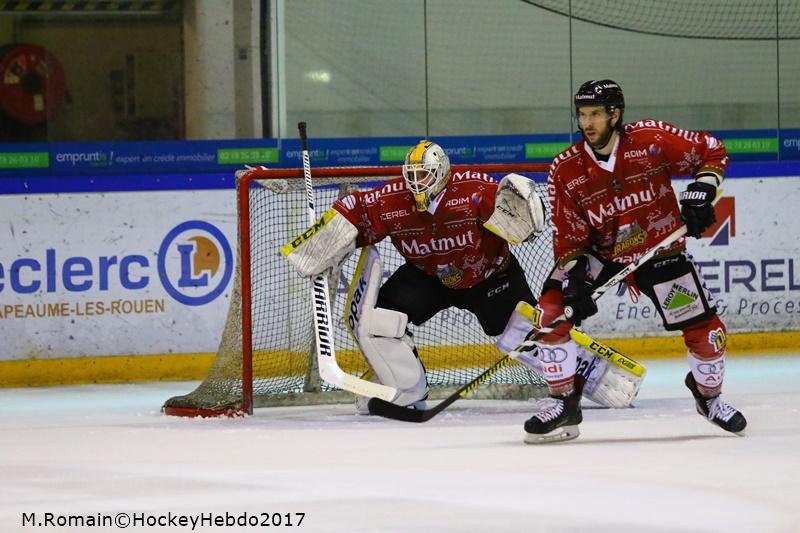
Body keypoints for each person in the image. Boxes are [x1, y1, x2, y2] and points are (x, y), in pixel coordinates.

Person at [523, 79, 747, 444]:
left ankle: (708, 397)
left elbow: (711, 151)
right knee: (550, 314)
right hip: (600, 254)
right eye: (582, 115)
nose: (587, 123)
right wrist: (576, 277)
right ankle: (564, 401)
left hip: (658, 249)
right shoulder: (566, 169)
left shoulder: (650, 141)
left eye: (596, 114)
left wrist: (703, 189)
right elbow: (568, 235)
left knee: (707, 334)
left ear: (615, 114)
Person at [282, 140, 547, 408]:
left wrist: (527, 212)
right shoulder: (393, 199)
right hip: (429, 277)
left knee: (529, 333)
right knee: (380, 319)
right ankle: (406, 388)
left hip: (490, 278)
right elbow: (357, 209)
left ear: (442, 173)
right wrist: (316, 247)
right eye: (412, 175)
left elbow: (516, 213)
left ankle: (569, 383)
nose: (417, 183)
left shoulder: (473, 191)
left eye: (424, 175)